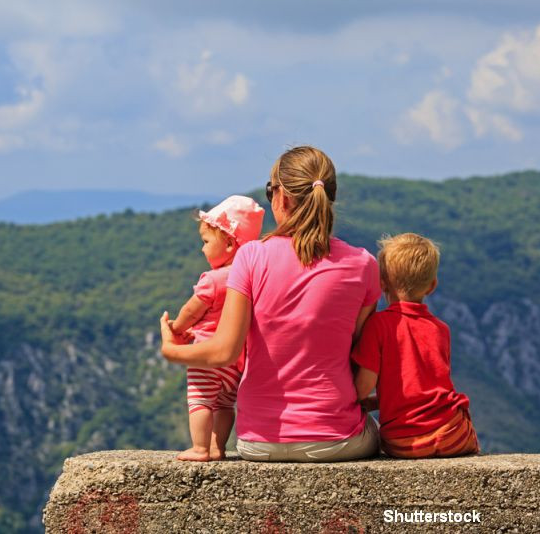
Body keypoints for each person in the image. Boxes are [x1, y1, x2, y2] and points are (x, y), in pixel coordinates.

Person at [160, 145, 381, 462]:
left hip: (257, 442)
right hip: (335, 439)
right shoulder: (364, 265)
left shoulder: (250, 257)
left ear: (282, 199)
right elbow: (359, 352)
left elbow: (225, 351)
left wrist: (172, 350)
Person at [351, 233, 479, 458]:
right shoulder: (441, 330)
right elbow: (422, 391)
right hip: (452, 433)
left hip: (404, 442)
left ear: (382, 283)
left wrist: (358, 403)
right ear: (432, 286)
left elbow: (363, 387)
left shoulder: (378, 326)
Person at [167, 195, 265, 461]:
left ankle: (200, 447)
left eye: (206, 242)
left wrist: (176, 327)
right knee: (224, 404)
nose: (202, 249)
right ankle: (218, 447)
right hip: (237, 360)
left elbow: (191, 310)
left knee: (200, 400)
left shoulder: (212, 279)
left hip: (206, 353)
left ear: (230, 244)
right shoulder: (252, 277)